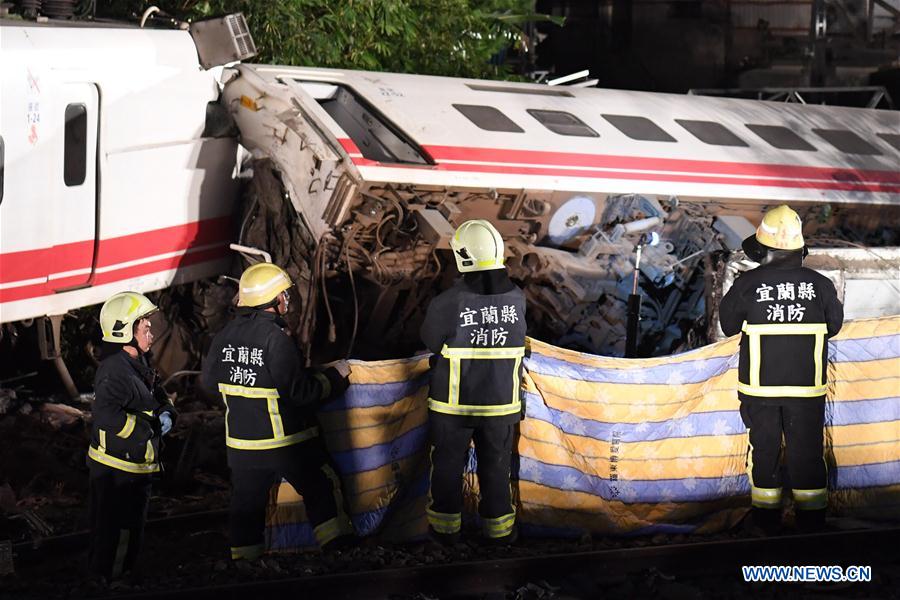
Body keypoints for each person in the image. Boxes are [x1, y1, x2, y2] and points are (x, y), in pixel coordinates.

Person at [202, 262, 354, 561]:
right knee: (322, 487)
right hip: (286, 444)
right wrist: (335, 378)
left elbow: (209, 385)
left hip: (242, 447)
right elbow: (300, 394)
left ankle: (246, 567)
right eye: (284, 294)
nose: (287, 299)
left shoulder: (223, 337)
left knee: (246, 507)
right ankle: (340, 554)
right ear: (275, 300)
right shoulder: (275, 339)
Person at [719, 205, 843, 534]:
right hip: (807, 389)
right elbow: (835, 326)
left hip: (760, 389)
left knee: (765, 452)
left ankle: (766, 521)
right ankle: (812, 524)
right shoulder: (820, 285)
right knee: (807, 453)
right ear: (799, 249)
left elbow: (728, 326)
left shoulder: (749, 284)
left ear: (763, 248)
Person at [420, 219, 527, 545]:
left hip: (454, 406)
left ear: (462, 256)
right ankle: (499, 534)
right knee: (495, 469)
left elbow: (430, 340)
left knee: (448, 469)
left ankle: (445, 533)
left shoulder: (448, 302)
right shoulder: (517, 299)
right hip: (501, 407)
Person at [87, 291, 177, 579]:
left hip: (135, 465)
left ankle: (119, 575)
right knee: (119, 530)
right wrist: (146, 429)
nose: (151, 332)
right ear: (125, 330)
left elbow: (157, 395)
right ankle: (111, 582)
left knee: (130, 528)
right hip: (117, 469)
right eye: (145, 326)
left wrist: (167, 412)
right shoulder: (114, 372)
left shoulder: (138, 363)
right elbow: (106, 417)